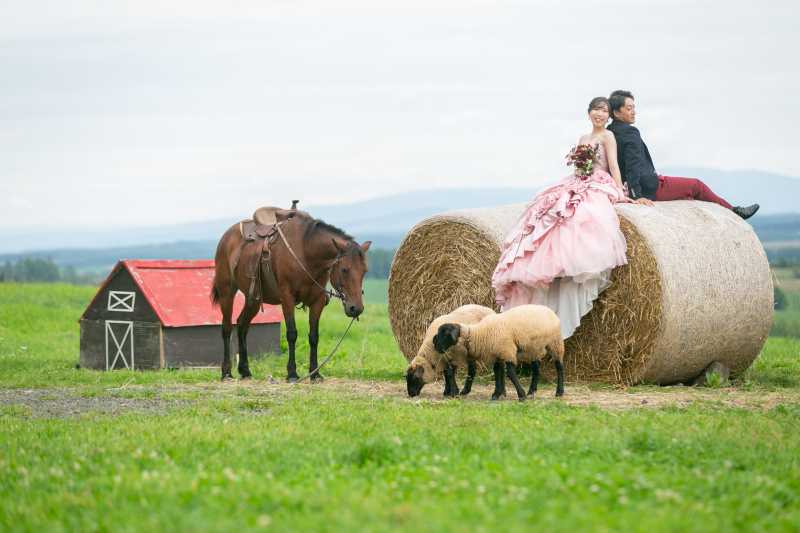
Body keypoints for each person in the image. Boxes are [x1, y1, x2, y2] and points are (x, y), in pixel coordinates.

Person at [492, 97, 631, 339]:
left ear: (609, 116)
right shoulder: (583, 139)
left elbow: (613, 165)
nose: (600, 114)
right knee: (546, 207)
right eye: (596, 109)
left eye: (604, 111)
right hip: (580, 180)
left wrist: (619, 191)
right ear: (588, 112)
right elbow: (578, 170)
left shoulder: (608, 136)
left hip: (599, 180)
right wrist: (580, 173)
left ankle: (574, 263)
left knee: (580, 216)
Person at [606, 90, 759, 219]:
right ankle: (734, 213)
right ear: (616, 113)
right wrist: (636, 195)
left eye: (633, 107)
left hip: (629, 186)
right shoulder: (630, 132)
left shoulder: (610, 132)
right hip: (648, 187)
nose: (634, 112)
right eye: (628, 108)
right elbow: (632, 165)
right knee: (696, 186)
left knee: (688, 198)